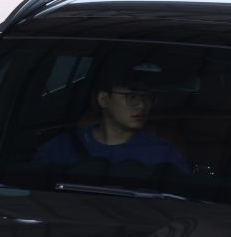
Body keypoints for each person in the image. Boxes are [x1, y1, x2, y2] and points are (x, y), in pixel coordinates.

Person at [35, 61, 189, 172]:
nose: (142, 105)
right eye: (132, 96)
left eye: (147, 97)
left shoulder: (163, 153)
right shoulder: (60, 149)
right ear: (103, 99)